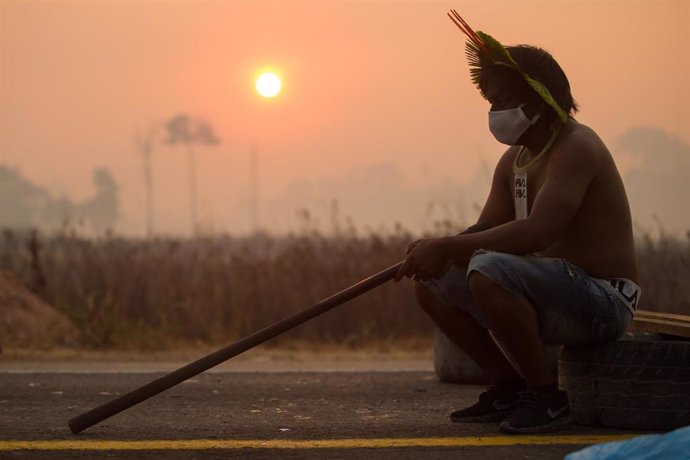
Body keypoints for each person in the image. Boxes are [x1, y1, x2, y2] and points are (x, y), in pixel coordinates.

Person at [394, 10, 641, 434]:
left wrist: (449, 247)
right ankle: (507, 385)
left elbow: (535, 233)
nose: (494, 111)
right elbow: (483, 231)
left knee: (487, 269)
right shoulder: (515, 161)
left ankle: (546, 397)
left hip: (604, 299)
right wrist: (435, 251)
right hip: (553, 290)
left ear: (538, 98)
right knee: (433, 282)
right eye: (490, 101)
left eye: (503, 100)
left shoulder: (577, 147)